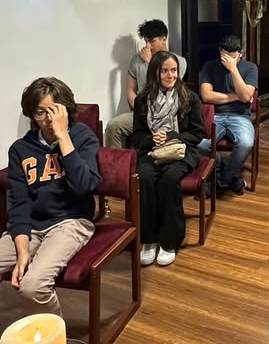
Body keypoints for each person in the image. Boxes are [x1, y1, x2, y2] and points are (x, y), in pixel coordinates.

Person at [0, 77, 100, 333]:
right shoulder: (21, 149)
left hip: (71, 221)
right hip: (30, 226)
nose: (48, 119)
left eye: (54, 110)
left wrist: (63, 137)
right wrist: (22, 252)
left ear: (66, 110)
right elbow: (19, 204)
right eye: (40, 112)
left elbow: (86, 185)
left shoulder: (82, 137)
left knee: (33, 287)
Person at [135, 51, 204, 266]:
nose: (170, 75)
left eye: (174, 70)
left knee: (169, 179)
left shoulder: (189, 97)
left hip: (182, 150)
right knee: (145, 178)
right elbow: (137, 136)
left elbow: (197, 134)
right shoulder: (142, 99)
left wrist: (172, 136)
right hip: (152, 150)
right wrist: (152, 139)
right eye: (165, 71)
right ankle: (149, 239)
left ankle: (169, 241)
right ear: (155, 73)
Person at [106, 19, 188, 148]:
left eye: (151, 41)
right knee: (113, 126)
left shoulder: (178, 61)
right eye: (146, 41)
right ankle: (117, 161)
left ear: (163, 39)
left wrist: (150, 62)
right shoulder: (136, 60)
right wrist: (140, 110)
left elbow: (172, 88)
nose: (147, 46)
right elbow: (131, 90)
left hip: (168, 113)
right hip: (143, 111)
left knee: (171, 133)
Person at [198, 34, 258, 193]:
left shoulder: (250, 68)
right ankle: (224, 172)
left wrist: (233, 69)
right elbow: (206, 96)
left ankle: (223, 180)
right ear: (220, 52)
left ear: (240, 54)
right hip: (215, 115)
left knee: (245, 143)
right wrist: (236, 97)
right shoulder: (209, 66)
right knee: (199, 144)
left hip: (240, 116)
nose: (228, 61)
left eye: (232, 57)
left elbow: (246, 96)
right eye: (225, 57)